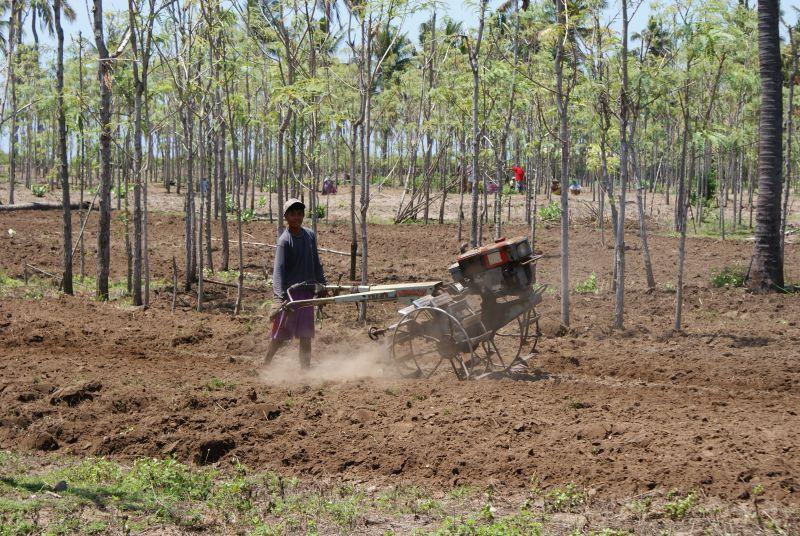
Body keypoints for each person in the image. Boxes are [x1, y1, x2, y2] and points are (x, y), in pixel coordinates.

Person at [264, 198, 327, 369]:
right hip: (290, 295)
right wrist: (278, 299)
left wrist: (322, 283)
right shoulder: (285, 241)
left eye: (300, 214)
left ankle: (305, 369)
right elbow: (278, 271)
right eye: (292, 214)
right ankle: (267, 364)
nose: (297, 217)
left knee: (306, 335)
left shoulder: (310, 236)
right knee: (281, 335)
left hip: (307, 293)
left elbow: (316, 261)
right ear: (286, 217)